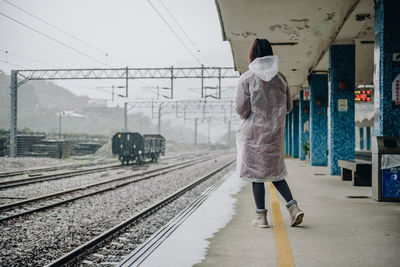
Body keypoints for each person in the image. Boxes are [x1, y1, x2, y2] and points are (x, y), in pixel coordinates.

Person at [235, 38, 304, 228]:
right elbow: (289, 106)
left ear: (252, 54)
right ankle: (294, 209)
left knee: (256, 176)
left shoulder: (246, 78)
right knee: (277, 174)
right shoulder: (281, 78)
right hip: (274, 135)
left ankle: (261, 218)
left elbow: (241, 109)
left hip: (253, 136)